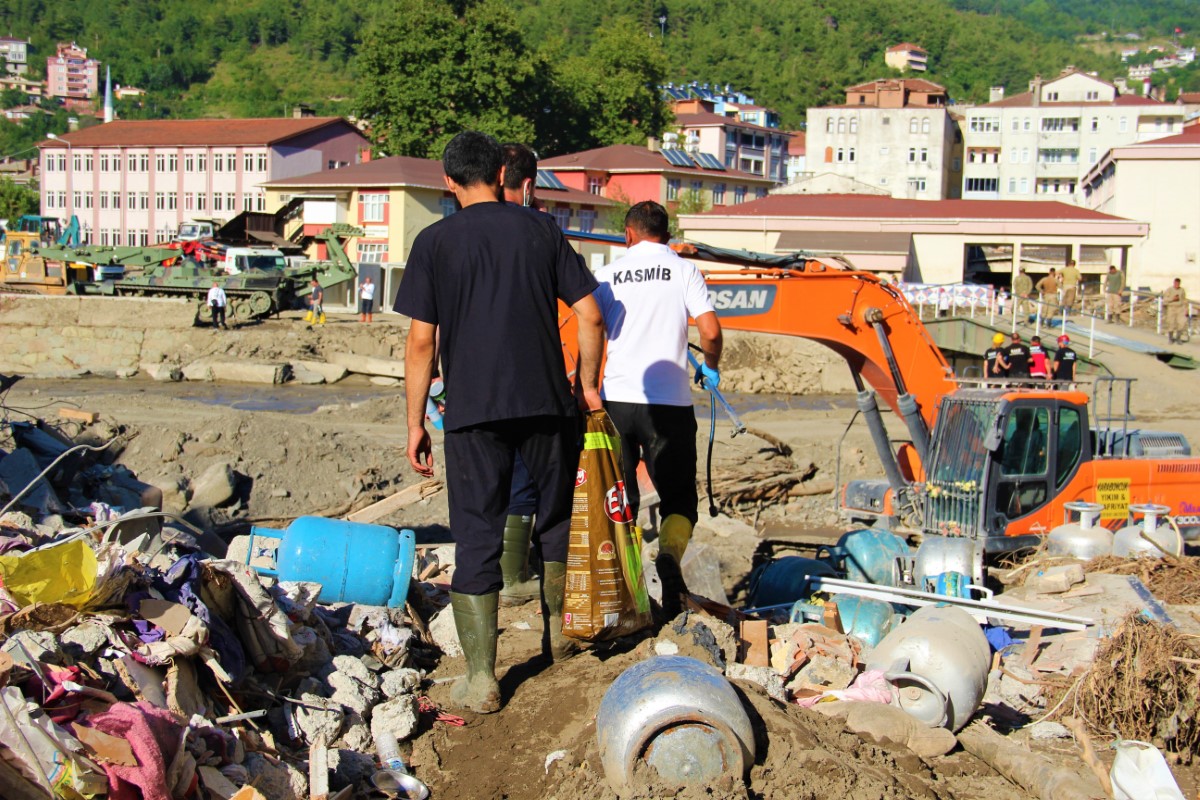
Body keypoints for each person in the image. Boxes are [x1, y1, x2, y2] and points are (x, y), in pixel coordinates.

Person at [395, 131, 604, 714]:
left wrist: (415, 422)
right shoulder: (541, 230)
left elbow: (420, 342)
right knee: (555, 519)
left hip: (472, 411)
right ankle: (559, 638)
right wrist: (585, 386)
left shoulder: (434, 242)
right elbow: (589, 314)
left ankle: (483, 679)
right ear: (500, 173)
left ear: (449, 182)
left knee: (478, 533)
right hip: (547, 403)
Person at [593, 200, 723, 621]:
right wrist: (710, 365)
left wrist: (588, 383)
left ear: (628, 234)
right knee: (680, 499)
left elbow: (591, 326)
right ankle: (668, 557)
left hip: (617, 399)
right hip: (669, 405)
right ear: (667, 235)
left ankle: (630, 594)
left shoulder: (608, 274)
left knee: (621, 500)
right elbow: (711, 331)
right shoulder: (684, 270)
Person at [1164, 277, 1189, 344]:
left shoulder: (1182, 290)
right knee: (1171, 323)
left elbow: (1184, 300)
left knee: (1181, 323)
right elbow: (1165, 299)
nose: (1176, 285)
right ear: (1174, 283)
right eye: (1175, 283)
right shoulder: (1169, 290)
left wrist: (1186, 309)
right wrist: (1172, 299)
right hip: (1172, 308)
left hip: (1180, 308)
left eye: (1178, 283)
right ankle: (1170, 339)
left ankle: (1178, 338)